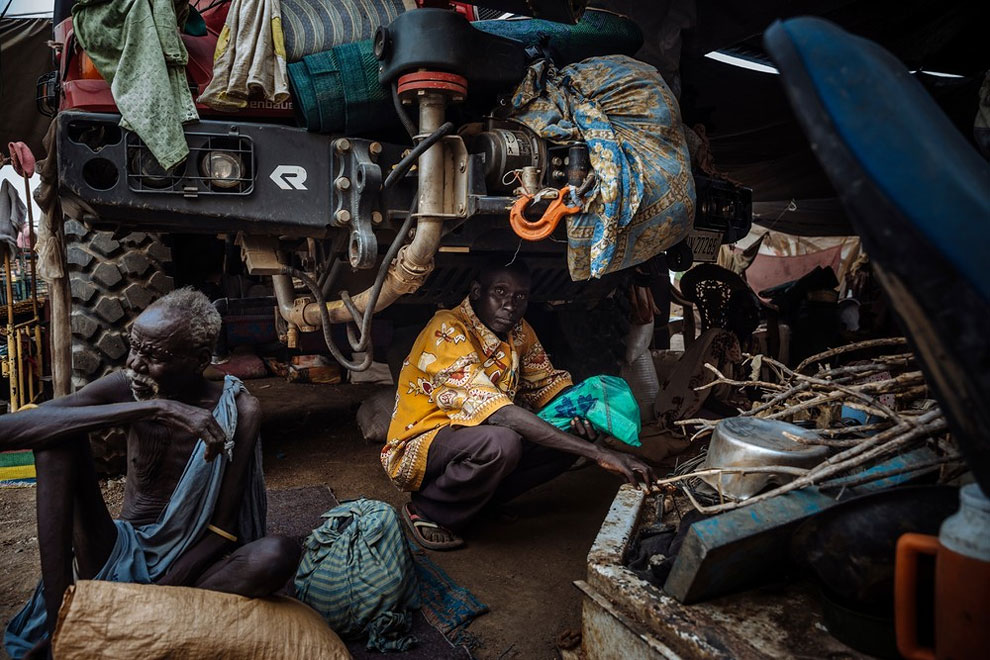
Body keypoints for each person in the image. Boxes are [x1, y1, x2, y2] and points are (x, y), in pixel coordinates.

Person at [2, 288, 299, 659]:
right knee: (57, 439)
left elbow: (224, 532)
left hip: (189, 566)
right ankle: (61, 617)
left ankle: (140, 616)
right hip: (115, 551)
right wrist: (153, 409)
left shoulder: (241, 409)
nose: (136, 363)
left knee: (278, 553)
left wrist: (159, 592)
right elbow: (9, 430)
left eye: (154, 356)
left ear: (198, 360)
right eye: (135, 347)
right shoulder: (130, 388)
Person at [383, 259, 656, 551]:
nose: (510, 304)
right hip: (421, 445)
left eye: (520, 296)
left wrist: (583, 413)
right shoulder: (447, 328)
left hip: (475, 438)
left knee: (568, 434)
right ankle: (429, 510)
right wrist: (599, 453)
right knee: (502, 442)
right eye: (499, 292)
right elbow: (501, 415)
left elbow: (547, 386)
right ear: (476, 291)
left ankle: (479, 501)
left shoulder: (520, 332)